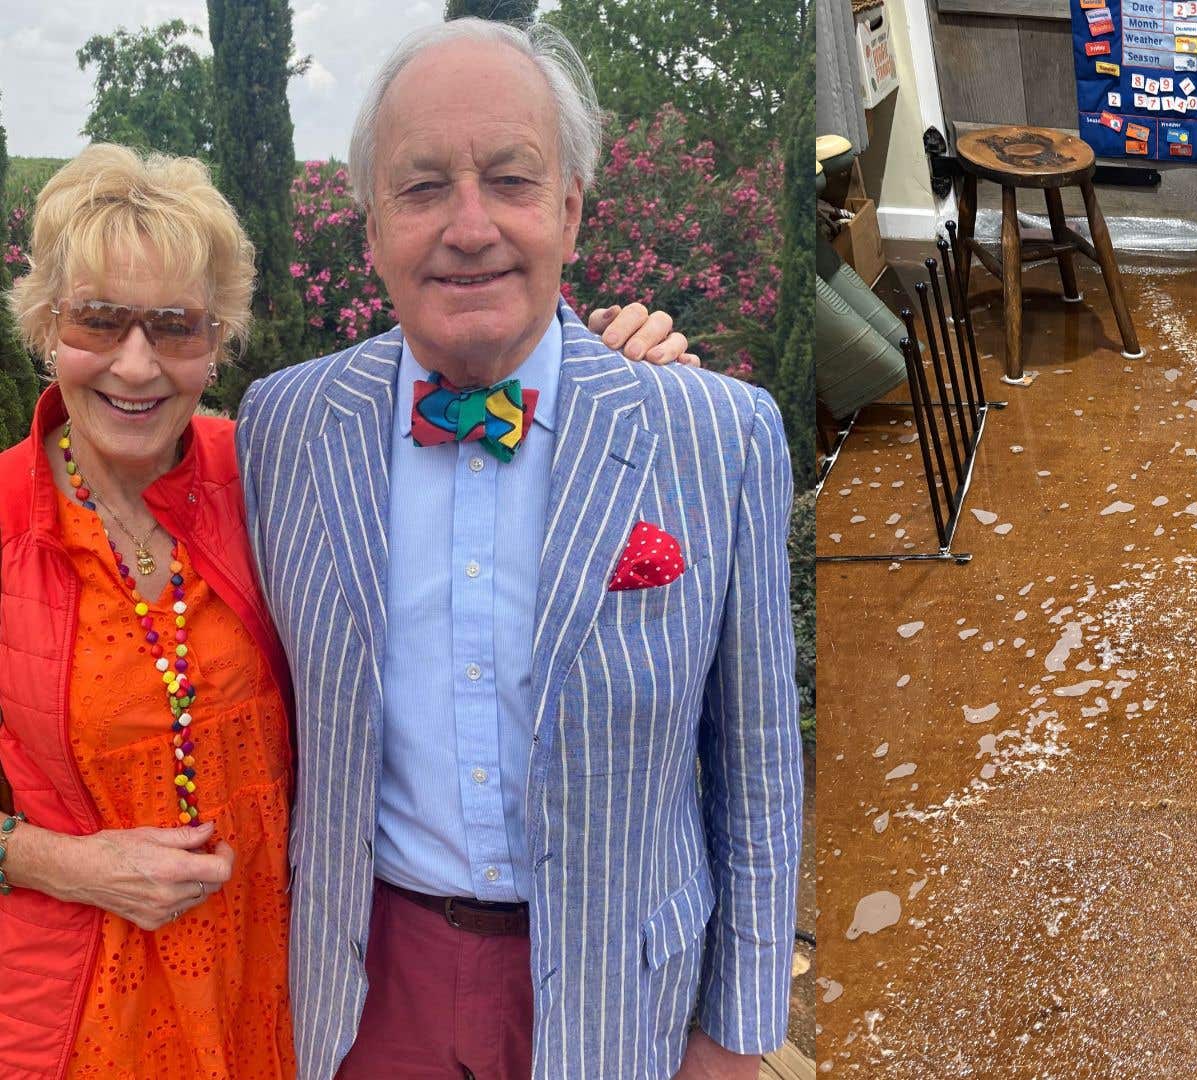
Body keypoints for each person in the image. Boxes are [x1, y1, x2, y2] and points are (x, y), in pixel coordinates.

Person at [0, 144, 691, 1079]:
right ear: (46, 326)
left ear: (218, 339)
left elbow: (495, 423)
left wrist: (598, 368)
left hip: (286, 992)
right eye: (99, 321)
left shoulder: (272, 470)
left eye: (175, 326)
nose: (136, 363)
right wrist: (58, 862)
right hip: (75, 1004)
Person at [233, 17, 802, 1080]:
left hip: (618, 997)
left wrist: (738, 1033)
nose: (470, 225)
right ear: (370, 230)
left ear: (572, 213)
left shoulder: (713, 436)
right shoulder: (282, 429)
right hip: (362, 994)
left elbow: (759, 763)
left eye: (511, 180)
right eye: (421, 189)